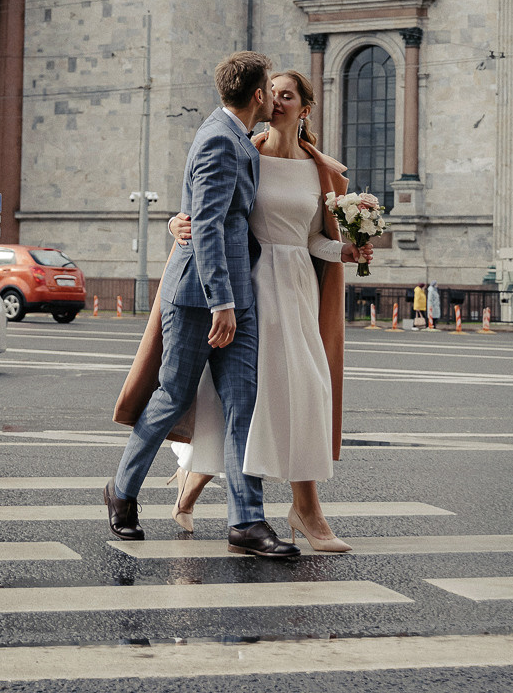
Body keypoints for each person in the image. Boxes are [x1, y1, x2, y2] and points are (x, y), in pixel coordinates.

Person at [146, 70, 372, 553]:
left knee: (305, 390)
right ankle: (214, 486)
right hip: (246, 285)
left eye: (286, 95)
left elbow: (313, 239)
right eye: (271, 93)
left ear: (304, 109)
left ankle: (292, 505)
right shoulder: (244, 151)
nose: (275, 101)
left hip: (297, 288)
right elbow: (205, 206)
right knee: (242, 397)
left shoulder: (319, 170)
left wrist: (346, 253)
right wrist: (175, 221)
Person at [104, 50, 300, 560]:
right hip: (200, 297)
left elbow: (210, 215)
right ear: (258, 95)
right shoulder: (219, 138)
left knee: (243, 406)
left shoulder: (237, 138)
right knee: (171, 395)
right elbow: (208, 225)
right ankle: (122, 491)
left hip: (237, 294)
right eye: (269, 91)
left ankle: (247, 521)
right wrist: (221, 304)